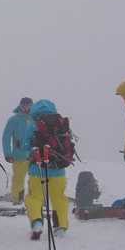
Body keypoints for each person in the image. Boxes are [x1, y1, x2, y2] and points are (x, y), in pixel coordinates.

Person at [24, 99, 73, 240]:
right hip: (58, 170)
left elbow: (26, 147)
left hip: (37, 170)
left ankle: (37, 222)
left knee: (35, 197)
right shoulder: (61, 124)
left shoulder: (33, 125)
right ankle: (61, 226)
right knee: (59, 198)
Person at [1, 97, 34, 204]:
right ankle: (17, 200)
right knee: (18, 179)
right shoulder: (14, 120)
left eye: (28, 105)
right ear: (20, 106)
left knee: (35, 179)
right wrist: (8, 154)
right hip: (19, 156)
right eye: (24, 105)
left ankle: (34, 200)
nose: (26, 107)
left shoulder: (35, 119)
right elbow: (6, 137)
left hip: (34, 156)